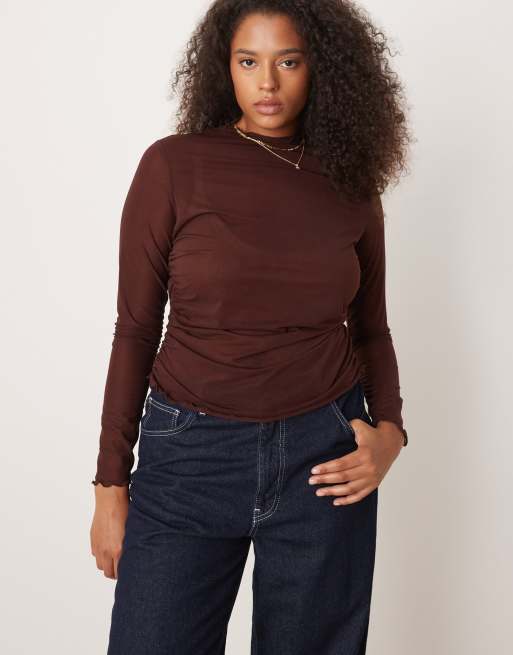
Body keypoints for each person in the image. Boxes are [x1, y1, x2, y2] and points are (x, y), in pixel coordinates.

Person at [90, 1, 411, 653]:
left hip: (324, 458)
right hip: (189, 455)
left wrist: (391, 432)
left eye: (288, 61)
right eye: (248, 61)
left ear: (321, 68)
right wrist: (109, 484)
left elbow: (370, 329)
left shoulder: (350, 182)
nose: (267, 82)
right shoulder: (174, 167)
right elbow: (135, 329)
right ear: (224, 68)